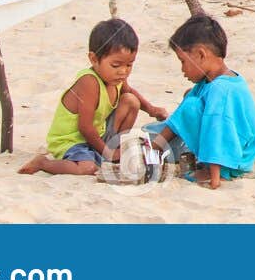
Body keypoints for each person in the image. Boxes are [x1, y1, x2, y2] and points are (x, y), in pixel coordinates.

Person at [19, 18, 167, 175]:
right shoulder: (89, 81)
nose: (123, 71)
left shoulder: (116, 77)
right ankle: (43, 163)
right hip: (73, 140)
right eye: (116, 65)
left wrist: (151, 109)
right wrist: (107, 153)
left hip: (97, 134)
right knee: (87, 168)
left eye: (129, 65)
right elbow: (85, 127)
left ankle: (114, 148)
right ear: (94, 59)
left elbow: (129, 92)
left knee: (131, 101)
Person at [149, 15, 255, 189]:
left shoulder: (220, 90)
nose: (182, 69)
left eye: (183, 62)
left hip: (236, 158)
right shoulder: (211, 79)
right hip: (233, 145)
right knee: (190, 98)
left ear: (201, 55)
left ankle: (216, 169)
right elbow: (179, 116)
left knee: (191, 106)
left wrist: (214, 177)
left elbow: (217, 129)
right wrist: (155, 146)